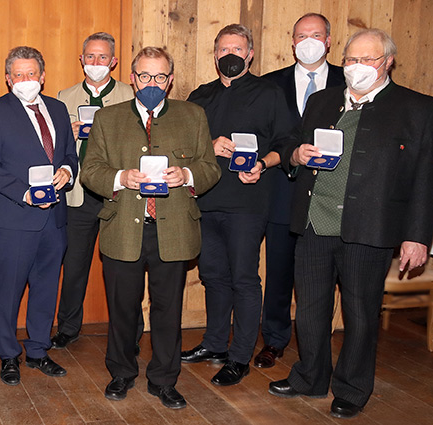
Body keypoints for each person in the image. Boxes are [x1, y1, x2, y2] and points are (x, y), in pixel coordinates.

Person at [269, 28, 433, 419]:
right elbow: (293, 144)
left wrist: (417, 236)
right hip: (314, 222)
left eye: (369, 59)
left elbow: (426, 178)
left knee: (360, 314)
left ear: (388, 62)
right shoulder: (322, 101)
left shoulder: (417, 108)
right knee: (309, 309)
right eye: (352, 59)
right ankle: (309, 376)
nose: (358, 67)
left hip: (370, 229)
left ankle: (353, 387)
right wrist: (296, 155)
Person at [82, 47, 220, 406]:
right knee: (122, 309)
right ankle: (122, 372)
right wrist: (120, 177)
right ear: (132, 78)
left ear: (170, 80)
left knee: (168, 309)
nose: (152, 84)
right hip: (123, 231)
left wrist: (186, 174)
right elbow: (90, 170)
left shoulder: (194, 116)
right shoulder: (107, 119)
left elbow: (210, 167)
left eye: (160, 77)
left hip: (173, 231)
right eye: (144, 76)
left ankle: (164, 378)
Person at [181, 24, 293, 386]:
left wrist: (263, 163)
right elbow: (182, 147)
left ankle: (240, 355)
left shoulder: (269, 93)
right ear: (215, 55)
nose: (230, 54)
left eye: (237, 48)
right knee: (212, 276)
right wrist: (206, 146)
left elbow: (288, 142)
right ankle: (214, 344)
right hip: (206, 200)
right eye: (223, 48)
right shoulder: (200, 96)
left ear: (250, 54)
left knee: (244, 278)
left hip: (248, 202)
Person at [0, 46, 79, 386]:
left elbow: (69, 153)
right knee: (9, 290)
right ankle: (9, 354)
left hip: (54, 218)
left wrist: (67, 170)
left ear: (43, 76)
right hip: (14, 218)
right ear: (8, 79)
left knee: (47, 288)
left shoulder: (58, 108)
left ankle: (38, 350)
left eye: (31, 74)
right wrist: (25, 193)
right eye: (18, 75)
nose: (26, 80)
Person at [256, 13, 345, 369]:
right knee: (278, 272)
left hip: (330, 196)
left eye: (316, 34)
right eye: (301, 35)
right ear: (292, 42)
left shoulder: (348, 80)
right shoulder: (269, 84)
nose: (308, 41)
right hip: (282, 193)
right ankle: (275, 340)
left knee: (327, 276)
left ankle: (318, 342)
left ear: (328, 40)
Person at [52, 32, 134, 349]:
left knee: (123, 268)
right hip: (78, 195)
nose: (96, 63)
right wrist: (67, 136)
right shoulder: (64, 97)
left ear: (113, 61)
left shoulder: (131, 95)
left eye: (102, 57)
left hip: (118, 194)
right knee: (74, 266)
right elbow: (55, 151)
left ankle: (129, 331)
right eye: (90, 57)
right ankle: (68, 327)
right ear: (81, 60)